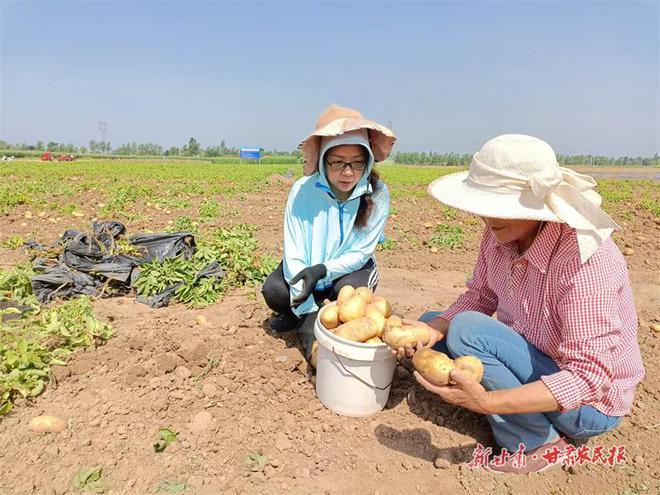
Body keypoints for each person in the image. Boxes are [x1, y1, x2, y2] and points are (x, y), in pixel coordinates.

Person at [401, 134, 644, 474]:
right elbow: (481, 295)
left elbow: (589, 378)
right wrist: (433, 328)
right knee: (435, 326)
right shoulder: (499, 232)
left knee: (467, 331)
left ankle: (538, 444)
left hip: (591, 405)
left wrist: (485, 402)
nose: (486, 217)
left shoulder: (587, 260)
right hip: (540, 355)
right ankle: (518, 409)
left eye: (498, 207)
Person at [261, 105, 395, 361]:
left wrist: (324, 270)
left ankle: (340, 329)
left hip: (348, 270)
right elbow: (295, 248)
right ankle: (297, 315)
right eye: (337, 163)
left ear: (367, 161)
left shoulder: (377, 194)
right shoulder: (302, 190)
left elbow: (361, 252)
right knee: (275, 290)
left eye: (357, 163)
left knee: (351, 294)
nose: (348, 172)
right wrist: (308, 314)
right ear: (323, 160)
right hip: (308, 269)